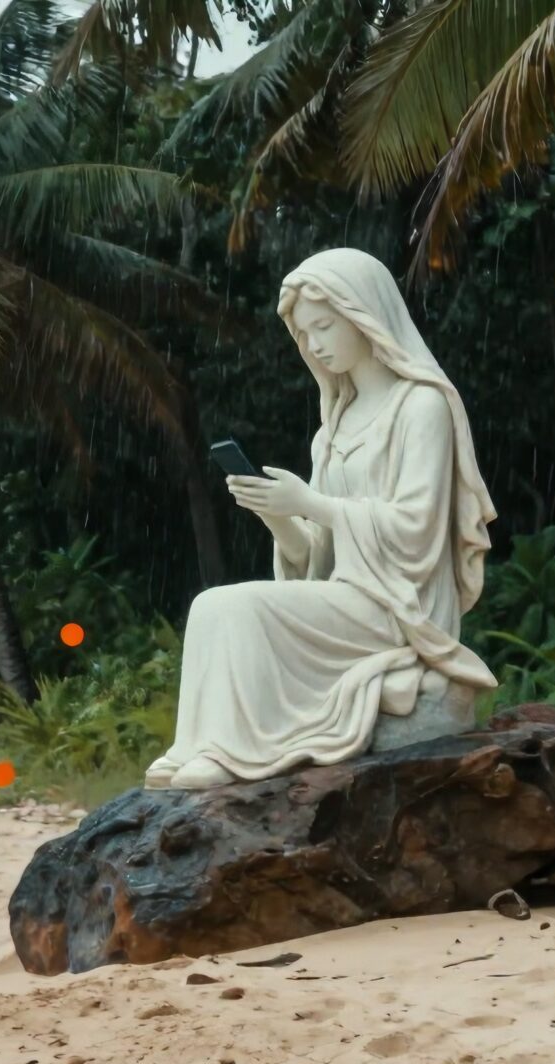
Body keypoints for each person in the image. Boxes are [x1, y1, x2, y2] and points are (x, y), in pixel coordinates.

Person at [144, 247, 500, 790]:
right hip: (348, 592)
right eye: (305, 334)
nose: (314, 344)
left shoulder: (420, 407)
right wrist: (279, 516)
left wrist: (310, 503)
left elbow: (416, 529)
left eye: (324, 326)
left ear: (364, 314)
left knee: (239, 609)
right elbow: (317, 556)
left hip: (397, 605)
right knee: (211, 604)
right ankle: (201, 744)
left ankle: (230, 752)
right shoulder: (330, 430)